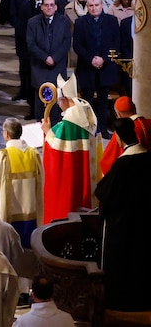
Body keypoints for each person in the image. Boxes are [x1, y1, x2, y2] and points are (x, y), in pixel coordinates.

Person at [94, 117, 151, 312]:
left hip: (122, 227)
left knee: (122, 267)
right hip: (143, 223)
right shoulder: (147, 157)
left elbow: (104, 193)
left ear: (118, 137)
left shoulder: (121, 164)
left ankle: (118, 304)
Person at [42, 73, 102, 223]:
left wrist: (47, 131)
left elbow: (54, 156)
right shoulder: (90, 118)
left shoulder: (66, 127)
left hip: (70, 183)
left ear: (64, 100)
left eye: (59, 102)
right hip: (90, 180)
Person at [0, 118, 44, 249]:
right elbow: (42, 181)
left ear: (6, 134)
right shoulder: (33, 154)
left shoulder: (3, 155)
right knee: (28, 249)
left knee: (10, 249)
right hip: (31, 211)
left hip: (10, 212)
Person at [72, 0, 119, 137]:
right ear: (87, 7)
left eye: (97, 5)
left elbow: (116, 42)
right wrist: (91, 59)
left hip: (105, 67)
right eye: (91, 6)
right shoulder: (80, 22)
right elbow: (77, 45)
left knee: (103, 101)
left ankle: (103, 129)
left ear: (102, 5)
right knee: (88, 101)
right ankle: (89, 129)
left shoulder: (112, 21)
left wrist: (103, 59)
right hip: (87, 67)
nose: (94, 8)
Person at [101, 96, 151, 174]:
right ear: (134, 108)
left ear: (119, 114)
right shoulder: (149, 123)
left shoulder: (123, 129)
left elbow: (108, 162)